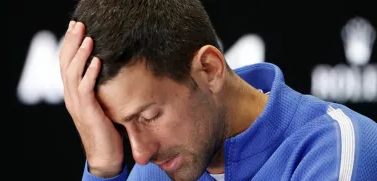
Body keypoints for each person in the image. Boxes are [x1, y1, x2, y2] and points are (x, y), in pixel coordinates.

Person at [58, 0, 377, 180]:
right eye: (121, 126)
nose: (140, 153)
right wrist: (102, 168)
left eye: (149, 116)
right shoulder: (155, 170)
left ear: (209, 69)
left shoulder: (339, 149)